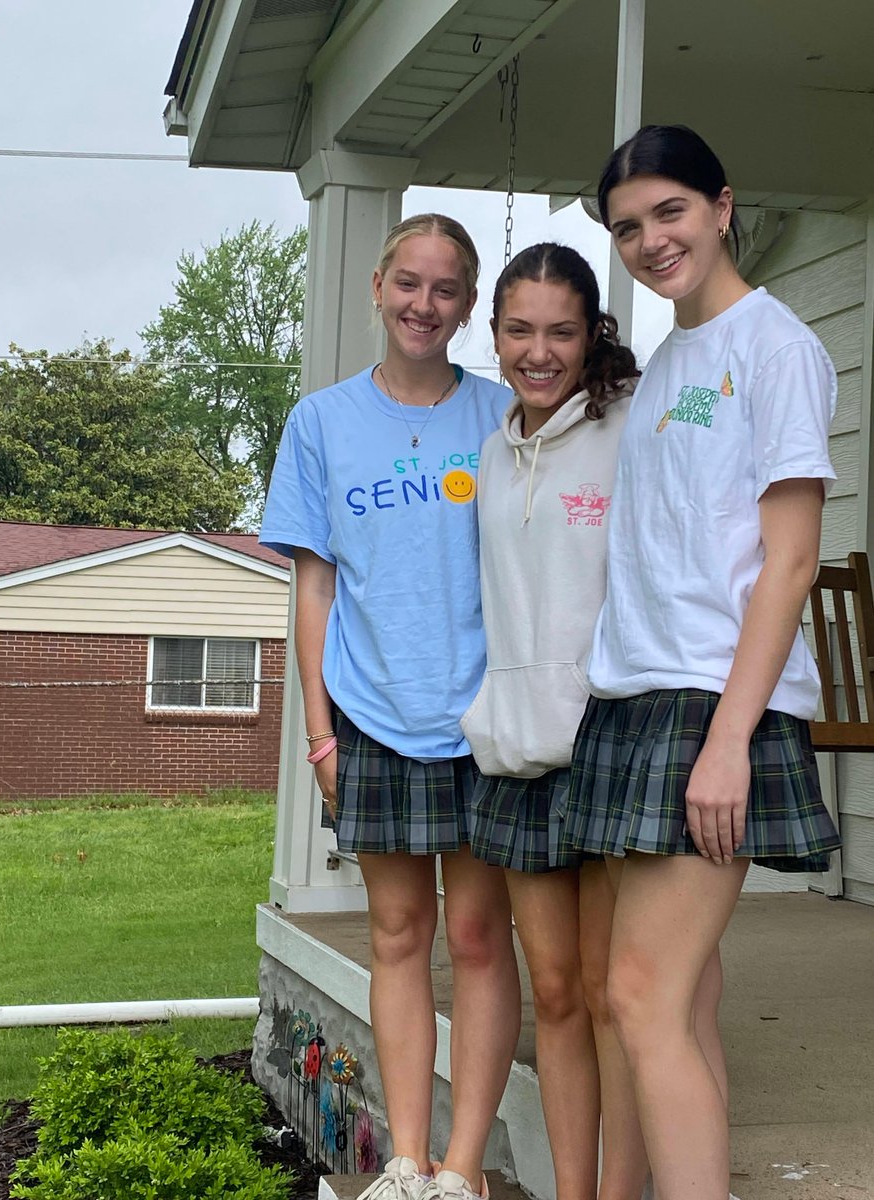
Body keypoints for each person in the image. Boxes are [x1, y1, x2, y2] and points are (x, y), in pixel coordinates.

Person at [562, 125, 842, 1200]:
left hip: (714, 705)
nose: (649, 240)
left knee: (638, 991)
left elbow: (792, 556)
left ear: (723, 206)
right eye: (627, 226)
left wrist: (729, 741)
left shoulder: (775, 348)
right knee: (673, 998)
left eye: (669, 211)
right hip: (635, 698)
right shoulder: (674, 360)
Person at [260, 213, 521, 1200]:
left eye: (446, 288)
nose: (424, 303)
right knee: (399, 935)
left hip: (486, 719)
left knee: (478, 940)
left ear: (467, 304)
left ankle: (464, 1168)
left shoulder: (501, 415)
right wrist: (322, 732)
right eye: (407, 282)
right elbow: (315, 589)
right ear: (377, 286)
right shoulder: (322, 423)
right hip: (373, 715)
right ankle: (407, 1159)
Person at [461, 242, 638, 1200]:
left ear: (590, 334)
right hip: (516, 752)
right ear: (493, 335)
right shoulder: (490, 449)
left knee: (618, 998)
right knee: (559, 995)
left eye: (561, 331)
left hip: (608, 743)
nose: (539, 351)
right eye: (520, 330)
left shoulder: (630, 426)